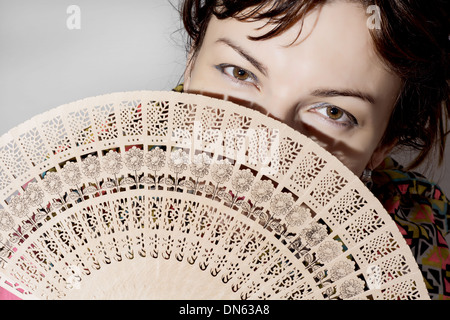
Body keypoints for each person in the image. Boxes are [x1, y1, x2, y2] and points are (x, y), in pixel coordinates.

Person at [176, 0, 450, 299]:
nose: (266, 152)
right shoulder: (119, 174)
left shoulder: (416, 257)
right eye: (239, 73)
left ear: (383, 143)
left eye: (334, 112)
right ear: (192, 62)